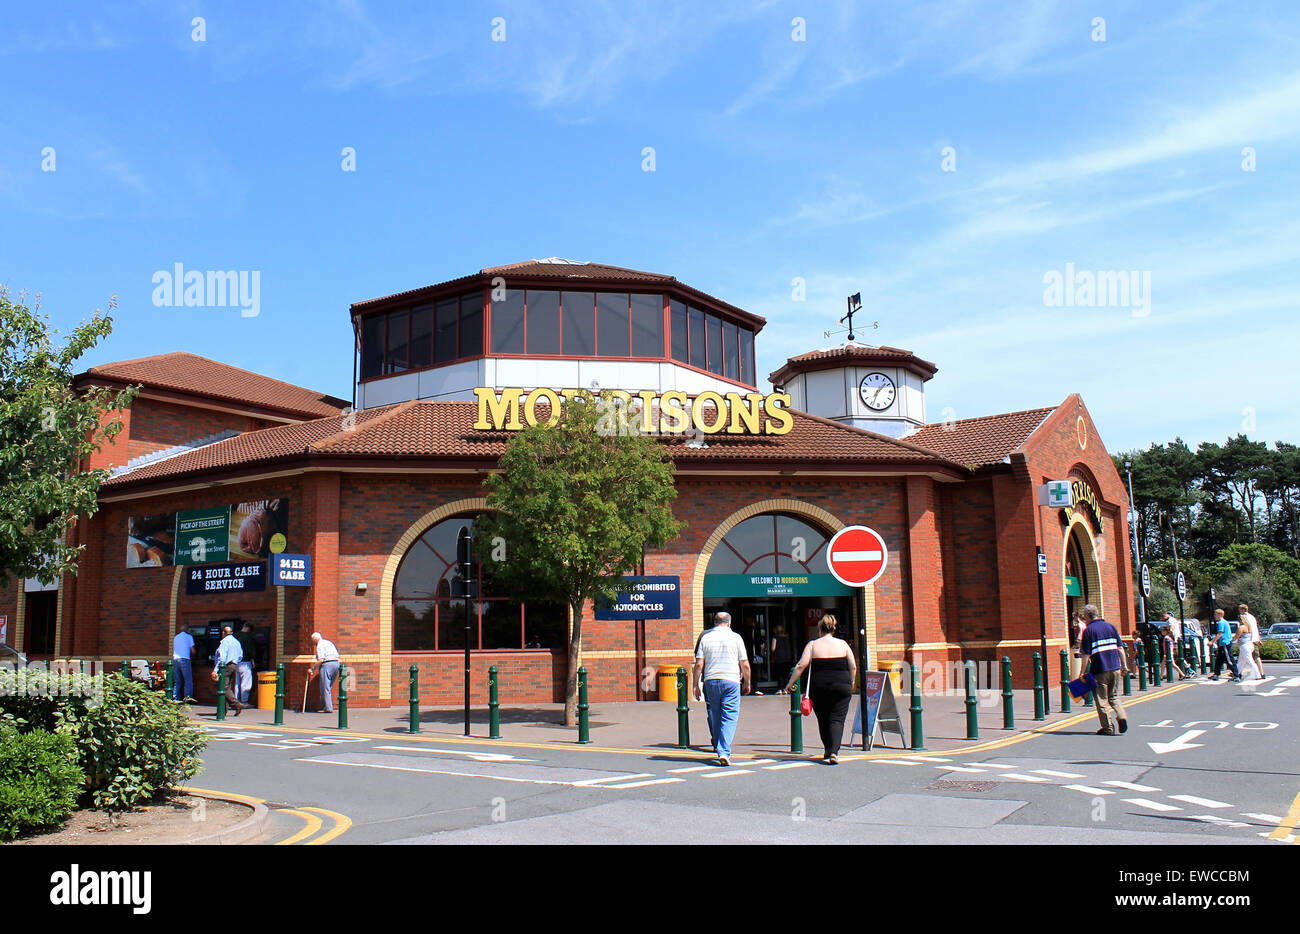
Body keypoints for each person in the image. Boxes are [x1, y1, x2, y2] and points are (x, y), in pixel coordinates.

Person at [783, 613, 857, 764]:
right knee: (837, 719)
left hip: (819, 687)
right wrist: (852, 682)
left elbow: (801, 665)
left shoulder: (812, 645)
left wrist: (789, 684)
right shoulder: (843, 644)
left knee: (823, 719)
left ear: (820, 629)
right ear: (833, 629)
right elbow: (853, 666)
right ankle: (834, 752)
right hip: (842, 686)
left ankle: (828, 749)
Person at [692, 611, 750, 766]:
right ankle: (723, 751)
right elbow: (744, 664)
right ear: (729, 623)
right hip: (731, 681)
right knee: (729, 716)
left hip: (711, 680)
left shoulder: (706, 637)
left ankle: (719, 746)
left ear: (715, 622)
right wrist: (747, 683)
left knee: (715, 715)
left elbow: (699, 664)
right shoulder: (736, 638)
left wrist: (695, 685)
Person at [1077, 604, 1129, 735]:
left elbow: (1086, 654)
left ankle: (1108, 728)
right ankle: (1122, 716)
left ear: (1088, 616)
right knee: (1114, 696)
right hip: (1115, 667)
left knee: (1101, 699)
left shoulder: (1088, 631)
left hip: (1100, 669)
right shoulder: (1110, 626)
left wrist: (1082, 672)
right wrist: (1124, 666)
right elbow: (1120, 648)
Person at [213, 625, 244, 715]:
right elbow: (240, 656)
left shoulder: (225, 642)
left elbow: (222, 657)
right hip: (234, 665)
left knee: (223, 687)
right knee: (227, 687)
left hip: (225, 666)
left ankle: (236, 703)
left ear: (224, 633)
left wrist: (215, 670)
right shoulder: (236, 642)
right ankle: (223, 710)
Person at [308, 632, 342, 713]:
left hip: (327, 665)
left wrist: (312, 669)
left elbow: (321, 659)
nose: (313, 643)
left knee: (324, 687)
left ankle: (328, 707)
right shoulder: (329, 642)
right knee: (328, 687)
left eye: (313, 641)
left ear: (315, 639)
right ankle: (325, 706)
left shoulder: (320, 645)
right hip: (336, 664)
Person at [1209, 609, 1240, 682]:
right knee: (1219, 659)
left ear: (1220, 614)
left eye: (1215, 614)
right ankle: (1216, 674)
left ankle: (1236, 675)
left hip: (1225, 643)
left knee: (1229, 659)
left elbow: (1220, 634)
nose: (1214, 616)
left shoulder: (1221, 623)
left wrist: (1212, 642)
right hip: (1223, 643)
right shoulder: (1223, 622)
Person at [172, 623, 196, 703]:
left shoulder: (176, 637)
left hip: (175, 659)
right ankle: (187, 699)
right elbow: (192, 650)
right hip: (185, 659)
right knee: (188, 680)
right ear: (187, 630)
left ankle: (175, 698)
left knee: (177, 680)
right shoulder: (189, 637)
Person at [1236, 610, 1262, 681]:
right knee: (1241, 661)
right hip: (1250, 644)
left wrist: (1231, 641)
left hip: (1245, 645)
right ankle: (1236, 674)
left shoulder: (1242, 627)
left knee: (1250, 660)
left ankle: (1257, 675)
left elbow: (1237, 636)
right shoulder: (1249, 626)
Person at [1162, 612, 1189, 679]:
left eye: (1163, 617)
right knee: (1167, 661)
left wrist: (1170, 634)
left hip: (1175, 640)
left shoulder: (1170, 620)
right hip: (1176, 639)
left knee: (1178, 657)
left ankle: (1189, 670)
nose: (1162, 619)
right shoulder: (1173, 619)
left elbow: (1172, 627)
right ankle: (1164, 674)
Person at [235, 622, 257, 706]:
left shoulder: (235, 636)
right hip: (245, 662)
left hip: (235, 662)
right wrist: (252, 660)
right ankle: (244, 701)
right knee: (246, 682)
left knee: (237, 683)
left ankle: (236, 700)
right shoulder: (248, 637)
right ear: (248, 629)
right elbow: (250, 650)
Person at [1239, 604, 1264, 675]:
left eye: (1240, 610)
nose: (1240, 611)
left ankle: (1257, 673)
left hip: (1249, 639)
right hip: (1255, 638)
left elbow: (1246, 629)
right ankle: (1262, 673)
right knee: (1256, 657)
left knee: (1247, 658)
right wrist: (1259, 638)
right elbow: (1256, 628)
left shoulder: (1244, 618)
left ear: (1243, 610)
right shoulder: (1252, 617)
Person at [771, 624, 793, 692]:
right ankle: (786, 689)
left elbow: (773, 648)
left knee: (779, 674)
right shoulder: (787, 636)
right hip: (787, 657)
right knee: (786, 674)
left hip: (779, 657)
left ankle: (780, 689)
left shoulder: (775, 637)